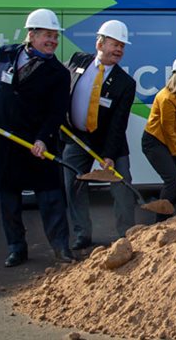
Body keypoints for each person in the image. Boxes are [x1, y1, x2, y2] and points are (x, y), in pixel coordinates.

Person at [0, 9, 73, 267]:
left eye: (55, 37)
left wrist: (43, 139)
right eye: (48, 35)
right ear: (32, 34)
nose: (53, 41)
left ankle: (61, 247)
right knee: (8, 199)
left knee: (50, 198)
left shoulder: (58, 73)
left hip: (35, 143)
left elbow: (55, 113)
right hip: (2, 141)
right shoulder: (7, 54)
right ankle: (16, 248)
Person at [61, 20, 137, 249]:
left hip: (109, 141)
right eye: (115, 44)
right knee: (73, 186)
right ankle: (82, 234)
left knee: (122, 186)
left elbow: (118, 123)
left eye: (122, 46)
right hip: (76, 138)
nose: (119, 50)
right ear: (99, 43)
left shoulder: (126, 83)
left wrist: (109, 155)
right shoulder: (77, 61)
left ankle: (127, 234)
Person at [142, 55, 176, 221]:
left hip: (164, 142)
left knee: (173, 175)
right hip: (154, 141)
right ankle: (161, 220)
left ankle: (167, 213)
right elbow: (167, 129)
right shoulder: (167, 98)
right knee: (172, 178)